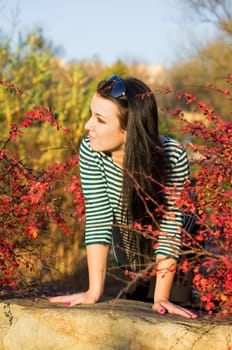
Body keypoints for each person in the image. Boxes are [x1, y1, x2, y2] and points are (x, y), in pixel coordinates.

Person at [49, 75, 197, 318]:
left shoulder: (172, 155)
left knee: (164, 312)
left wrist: (162, 297)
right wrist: (93, 292)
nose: (88, 126)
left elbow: (171, 225)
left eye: (100, 120)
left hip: (179, 249)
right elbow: (99, 216)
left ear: (129, 131)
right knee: (136, 308)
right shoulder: (91, 149)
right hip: (132, 246)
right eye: (91, 115)